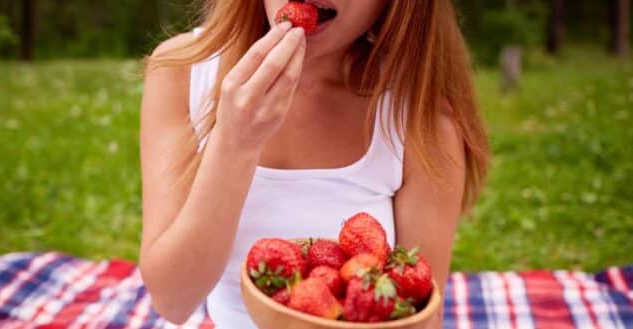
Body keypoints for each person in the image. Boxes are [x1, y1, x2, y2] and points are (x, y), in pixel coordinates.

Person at [139, 1, 490, 328]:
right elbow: (173, 300)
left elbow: (419, 317)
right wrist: (235, 142)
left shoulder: (421, 119)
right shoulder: (182, 72)